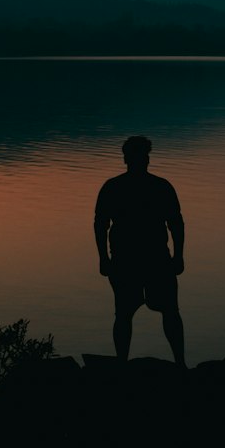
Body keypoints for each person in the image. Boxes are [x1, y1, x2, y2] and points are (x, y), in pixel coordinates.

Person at [94, 134, 185, 366]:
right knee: (130, 313)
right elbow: (100, 224)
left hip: (147, 259)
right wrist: (103, 258)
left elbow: (176, 223)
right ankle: (178, 363)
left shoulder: (116, 187)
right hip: (137, 260)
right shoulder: (158, 187)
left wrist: (178, 255)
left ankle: (173, 362)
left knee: (152, 312)